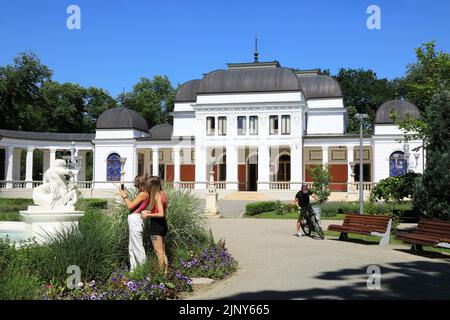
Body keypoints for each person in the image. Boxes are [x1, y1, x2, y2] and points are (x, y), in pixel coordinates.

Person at [119, 174, 150, 272]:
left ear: (140, 184)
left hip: (135, 220)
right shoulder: (144, 193)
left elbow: (130, 206)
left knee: (137, 247)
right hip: (135, 220)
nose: (135, 187)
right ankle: (134, 270)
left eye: (136, 184)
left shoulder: (143, 194)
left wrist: (125, 197)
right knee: (132, 247)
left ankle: (144, 271)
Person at [141, 176, 169, 273]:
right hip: (163, 225)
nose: (148, 188)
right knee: (163, 251)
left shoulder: (157, 196)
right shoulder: (163, 194)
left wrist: (148, 215)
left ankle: (160, 275)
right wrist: (149, 212)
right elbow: (162, 212)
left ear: (153, 186)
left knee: (159, 252)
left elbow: (161, 213)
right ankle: (165, 273)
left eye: (149, 186)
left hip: (156, 226)